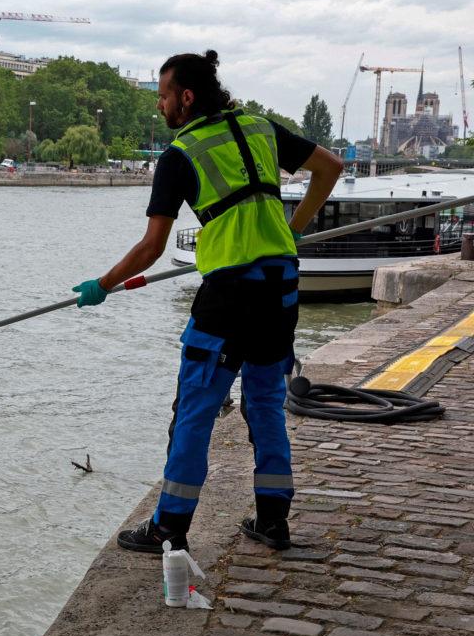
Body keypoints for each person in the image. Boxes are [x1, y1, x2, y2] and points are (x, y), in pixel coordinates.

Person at [74, 50, 342, 554]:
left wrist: (102, 284)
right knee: (265, 404)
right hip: (282, 288)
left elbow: (152, 248)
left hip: (230, 297)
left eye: (162, 95)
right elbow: (331, 167)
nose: (159, 105)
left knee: (195, 409)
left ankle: (168, 528)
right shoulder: (261, 127)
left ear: (186, 97)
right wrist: (293, 229)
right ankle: (272, 522)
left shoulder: (180, 154)